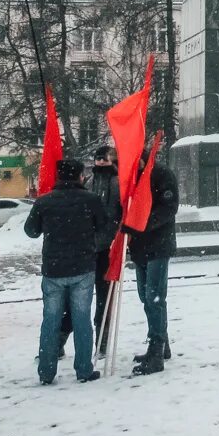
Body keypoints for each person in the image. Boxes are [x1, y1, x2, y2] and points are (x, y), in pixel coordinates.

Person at [24, 159, 107, 385]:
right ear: (80, 176)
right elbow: (104, 227)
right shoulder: (91, 200)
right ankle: (83, 369)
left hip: (53, 269)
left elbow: (30, 231)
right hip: (83, 267)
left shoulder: (45, 202)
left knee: (51, 320)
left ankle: (46, 371)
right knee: (82, 319)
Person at [124, 145, 179, 376]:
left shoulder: (162, 174)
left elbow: (169, 208)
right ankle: (161, 343)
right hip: (139, 247)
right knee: (145, 296)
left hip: (158, 245)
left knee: (154, 297)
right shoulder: (132, 178)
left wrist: (141, 224)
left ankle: (156, 350)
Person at [84, 145, 122, 344]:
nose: (100, 161)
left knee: (103, 295)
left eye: (104, 158)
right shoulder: (89, 181)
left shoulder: (117, 182)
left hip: (107, 246)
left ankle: (102, 337)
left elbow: (121, 210)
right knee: (81, 296)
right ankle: (64, 338)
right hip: (89, 246)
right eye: (98, 158)